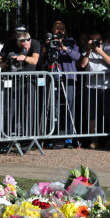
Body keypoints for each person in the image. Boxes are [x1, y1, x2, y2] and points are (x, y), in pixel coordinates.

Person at [40, 20, 81, 148]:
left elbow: (77, 56)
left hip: (68, 78)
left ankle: (69, 137)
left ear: (65, 30)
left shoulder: (71, 42)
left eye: (61, 28)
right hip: (54, 78)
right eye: (56, 28)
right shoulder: (48, 41)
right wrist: (46, 49)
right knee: (54, 107)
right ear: (52, 29)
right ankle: (54, 135)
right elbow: (41, 61)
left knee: (70, 108)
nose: (59, 30)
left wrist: (65, 48)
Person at [79, 31, 110, 149]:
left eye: (98, 40)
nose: (96, 42)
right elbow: (82, 65)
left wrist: (101, 51)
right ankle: (94, 140)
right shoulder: (87, 48)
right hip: (91, 86)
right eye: (93, 40)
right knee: (92, 114)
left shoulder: (108, 47)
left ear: (102, 40)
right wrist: (89, 50)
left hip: (107, 86)